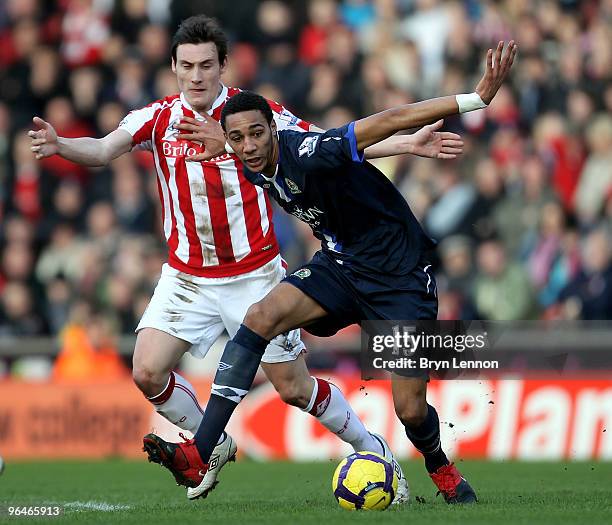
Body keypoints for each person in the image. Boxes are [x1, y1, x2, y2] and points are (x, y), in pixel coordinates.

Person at [27, 15, 463, 501]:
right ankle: (211, 446)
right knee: (146, 370)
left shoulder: (254, 118)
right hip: (187, 276)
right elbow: (104, 148)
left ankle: (372, 447)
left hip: (254, 274)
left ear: (223, 67)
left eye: (206, 65)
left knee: (294, 390)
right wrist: (62, 144)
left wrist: (405, 143)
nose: (196, 76)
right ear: (172, 66)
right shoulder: (155, 117)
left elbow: (327, 143)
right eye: (187, 65)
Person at [142, 41, 517, 504]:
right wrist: (223, 139)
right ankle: (202, 451)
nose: (248, 146)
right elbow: (233, 140)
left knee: (409, 409)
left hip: (400, 281)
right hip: (339, 269)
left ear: (274, 132)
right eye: (237, 139)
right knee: (260, 317)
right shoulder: (247, 156)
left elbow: (385, 119)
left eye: (257, 135)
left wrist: (474, 99)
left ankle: (439, 466)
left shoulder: (310, 151)